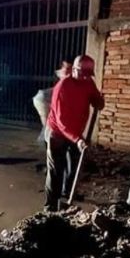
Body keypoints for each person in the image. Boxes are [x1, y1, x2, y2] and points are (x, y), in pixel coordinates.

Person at [44, 55, 104, 211]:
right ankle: (50, 206)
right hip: (57, 133)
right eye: (82, 73)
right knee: (56, 170)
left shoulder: (88, 82)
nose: (85, 77)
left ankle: (69, 194)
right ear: (74, 70)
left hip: (75, 133)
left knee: (75, 166)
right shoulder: (63, 87)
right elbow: (62, 122)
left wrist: (99, 101)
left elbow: (95, 98)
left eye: (88, 74)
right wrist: (77, 140)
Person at [32, 60, 73, 143]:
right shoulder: (62, 80)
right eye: (67, 68)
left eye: (71, 69)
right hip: (46, 102)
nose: (69, 71)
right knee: (49, 127)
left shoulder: (70, 78)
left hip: (54, 104)